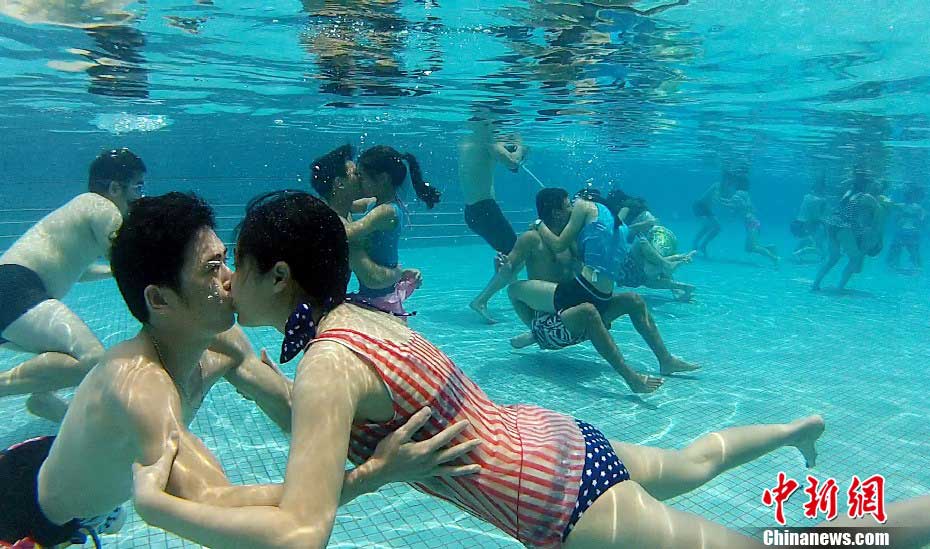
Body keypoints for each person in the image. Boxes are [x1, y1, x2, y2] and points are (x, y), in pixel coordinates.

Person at [133, 190, 930, 549]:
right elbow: (313, 424)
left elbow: (302, 529)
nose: (228, 276)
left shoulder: (327, 366)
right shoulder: (360, 321)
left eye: (235, 260)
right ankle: (798, 427)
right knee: (697, 458)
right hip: (560, 440)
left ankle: (913, 520)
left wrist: (162, 511)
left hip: (562, 504)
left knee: (766, 547)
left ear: (280, 277)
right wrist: (233, 359)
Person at [0, 192, 476, 548]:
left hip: (80, 474)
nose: (231, 278)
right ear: (159, 299)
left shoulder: (222, 342)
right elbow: (220, 505)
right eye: (211, 269)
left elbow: (292, 407)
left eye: (225, 259)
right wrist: (373, 473)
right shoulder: (141, 388)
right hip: (28, 515)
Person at [0, 148, 143, 422]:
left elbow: (80, 270)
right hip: (16, 289)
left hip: (11, 290)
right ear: (115, 187)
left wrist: (113, 272)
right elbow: (124, 259)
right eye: (137, 186)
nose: (140, 196)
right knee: (93, 358)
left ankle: (42, 397)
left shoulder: (81, 208)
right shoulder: (102, 207)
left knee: (68, 354)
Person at [310, 144, 421, 317]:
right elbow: (373, 278)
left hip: (335, 306)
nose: (361, 179)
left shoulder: (347, 214)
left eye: (362, 175)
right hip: (320, 312)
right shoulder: (337, 226)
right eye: (356, 174)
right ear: (339, 184)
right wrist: (398, 272)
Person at [344, 145, 439, 315]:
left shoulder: (385, 211)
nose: (359, 181)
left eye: (362, 177)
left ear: (383, 178)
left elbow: (348, 233)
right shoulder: (376, 203)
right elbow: (346, 204)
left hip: (380, 298)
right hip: (381, 289)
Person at [460, 119, 528, 254]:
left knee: (509, 254)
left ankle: (504, 274)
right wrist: (520, 145)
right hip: (484, 209)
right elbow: (513, 163)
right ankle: (503, 275)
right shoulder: (489, 141)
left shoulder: (468, 140)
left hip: (472, 210)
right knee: (515, 253)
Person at [813, 172, 885, 291]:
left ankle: (815, 284)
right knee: (855, 258)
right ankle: (839, 288)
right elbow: (878, 217)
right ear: (868, 186)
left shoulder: (851, 194)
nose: (878, 190)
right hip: (844, 227)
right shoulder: (868, 197)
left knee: (833, 258)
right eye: (876, 187)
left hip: (832, 224)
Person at [692, 169, 779, 265]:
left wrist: (721, 201)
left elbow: (731, 204)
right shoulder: (745, 194)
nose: (732, 183)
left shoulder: (738, 195)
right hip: (753, 222)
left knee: (753, 247)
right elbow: (742, 208)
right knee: (749, 248)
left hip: (751, 223)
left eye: (734, 181)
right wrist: (733, 214)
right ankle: (771, 248)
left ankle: (774, 258)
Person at [886, 186, 925, 271]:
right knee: (911, 249)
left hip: (905, 231)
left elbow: (890, 204)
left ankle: (895, 264)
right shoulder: (917, 207)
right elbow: (921, 219)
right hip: (909, 231)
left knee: (901, 248)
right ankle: (917, 265)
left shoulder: (904, 206)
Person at [791, 177, 829, 264]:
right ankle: (798, 253)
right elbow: (817, 214)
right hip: (812, 223)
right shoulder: (819, 200)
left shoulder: (807, 197)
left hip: (801, 222)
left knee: (808, 239)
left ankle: (797, 253)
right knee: (817, 243)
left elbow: (804, 212)